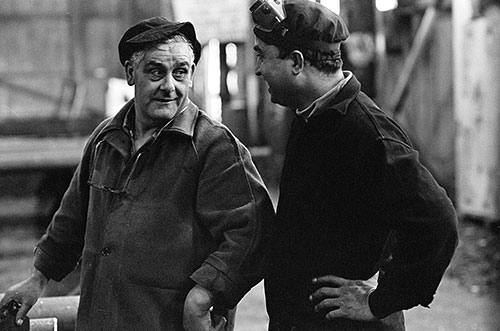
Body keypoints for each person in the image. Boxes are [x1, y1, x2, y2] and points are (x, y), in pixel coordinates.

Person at [0, 16, 275, 331]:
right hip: (100, 320)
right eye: (156, 71)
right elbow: (72, 220)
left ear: (192, 75)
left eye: (180, 72)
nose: (169, 86)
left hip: (169, 323)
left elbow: (253, 234)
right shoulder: (106, 138)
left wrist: (203, 295)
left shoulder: (214, 147)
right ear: (131, 73)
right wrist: (37, 280)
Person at [249, 0, 458, 330]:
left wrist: (380, 301)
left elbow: (438, 221)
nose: (258, 69)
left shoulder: (367, 134)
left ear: (297, 63)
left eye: (262, 55)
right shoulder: (312, 115)